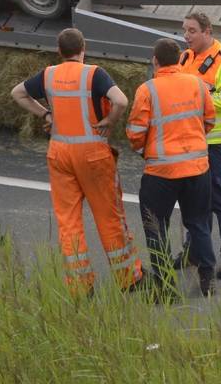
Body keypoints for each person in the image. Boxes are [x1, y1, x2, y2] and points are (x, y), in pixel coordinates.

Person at [11, 28, 144, 295]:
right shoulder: (94, 74)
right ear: (84, 49)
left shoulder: (48, 74)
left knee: (69, 222)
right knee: (109, 217)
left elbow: (17, 93)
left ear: (59, 51)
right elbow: (120, 100)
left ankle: (81, 285)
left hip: (59, 153)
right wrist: (110, 120)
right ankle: (129, 278)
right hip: (93, 154)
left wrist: (45, 115)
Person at [127, 38, 218, 297]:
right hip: (197, 168)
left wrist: (146, 151)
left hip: (161, 172)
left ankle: (166, 286)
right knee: (199, 223)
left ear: (155, 61)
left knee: (156, 228)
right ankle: (207, 276)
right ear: (179, 60)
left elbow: (135, 133)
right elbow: (210, 120)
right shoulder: (197, 84)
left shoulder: (147, 90)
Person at [173, 12, 221, 280]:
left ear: (207, 31)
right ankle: (194, 251)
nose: (186, 35)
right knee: (194, 199)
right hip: (192, 141)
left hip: (216, 144)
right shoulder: (185, 57)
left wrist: (195, 96)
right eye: (185, 30)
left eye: (192, 31)